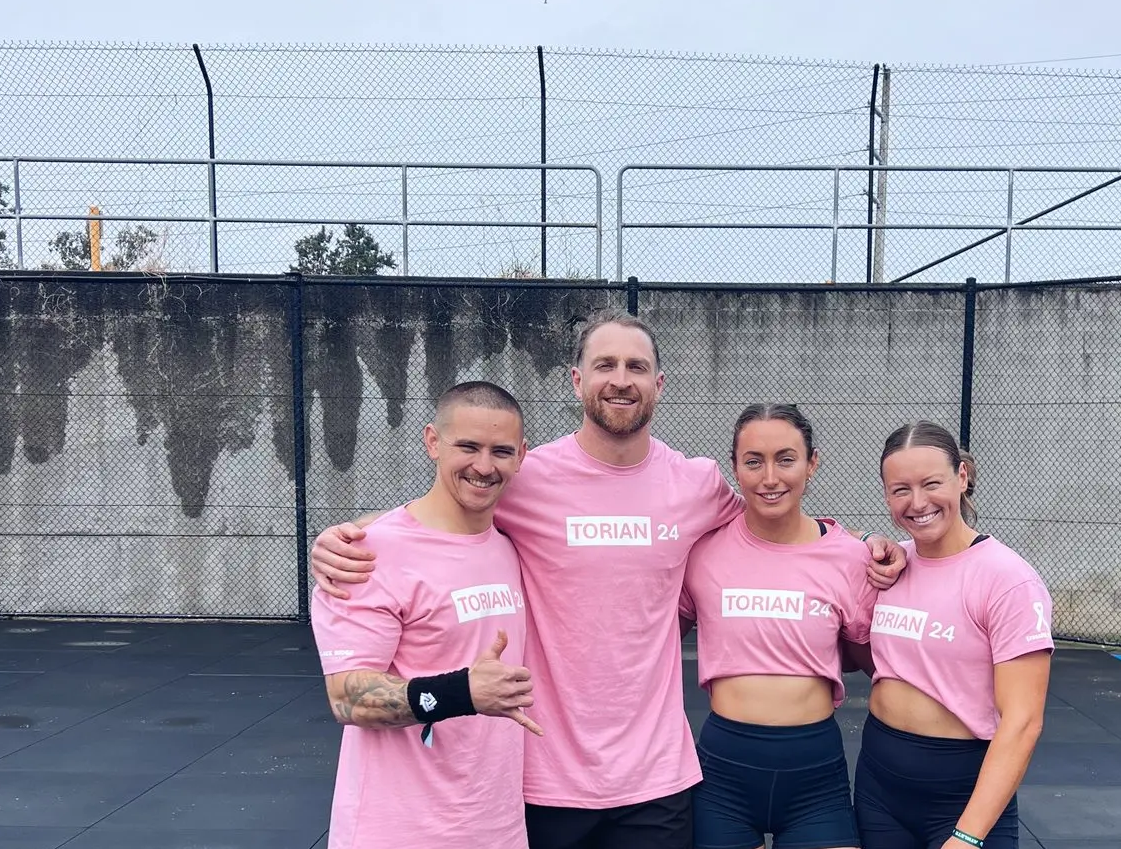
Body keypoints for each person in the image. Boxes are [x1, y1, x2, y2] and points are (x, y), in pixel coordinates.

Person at [311, 309, 908, 849]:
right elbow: (446, 506)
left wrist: (861, 544)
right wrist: (355, 533)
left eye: (636, 367)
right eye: (605, 365)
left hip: (656, 776)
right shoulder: (524, 477)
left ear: (658, 384)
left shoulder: (696, 484)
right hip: (546, 773)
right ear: (578, 380)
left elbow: (773, 519)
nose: (621, 379)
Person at [311, 381, 541, 849]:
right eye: (468, 447)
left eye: (500, 451)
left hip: (497, 830)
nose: (484, 466)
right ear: (433, 442)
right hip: (397, 833)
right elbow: (347, 699)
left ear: (521, 456)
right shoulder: (365, 555)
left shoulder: (511, 546)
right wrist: (462, 692)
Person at [680, 403, 875, 849]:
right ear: (735, 467)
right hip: (724, 777)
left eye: (786, 459)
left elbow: (875, 661)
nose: (770, 478)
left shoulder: (851, 558)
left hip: (815, 779)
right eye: (754, 462)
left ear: (812, 463)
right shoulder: (703, 552)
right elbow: (654, 633)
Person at [855, 421, 1053, 849]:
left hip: (960, 797)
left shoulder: (1007, 579)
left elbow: (1023, 722)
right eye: (901, 489)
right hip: (879, 790)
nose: (918, 502)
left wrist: (967, 835)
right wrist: (869, 537)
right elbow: (814, 535)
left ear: (961, 477)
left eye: (931, 484)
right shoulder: (890, 564)